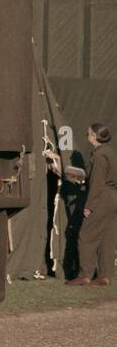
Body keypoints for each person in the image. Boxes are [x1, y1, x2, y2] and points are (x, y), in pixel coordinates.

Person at [67, 122, 116, 287]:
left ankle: (85, 274)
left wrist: (89, 206)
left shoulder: (99, 155)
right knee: (107, 238)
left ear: (95, 136)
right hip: (112, 197)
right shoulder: (110, 152)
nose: (87, 136)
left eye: (88, 134)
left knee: (86, 236)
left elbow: (97, 183)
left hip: (101, 197)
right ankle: (105, 275)